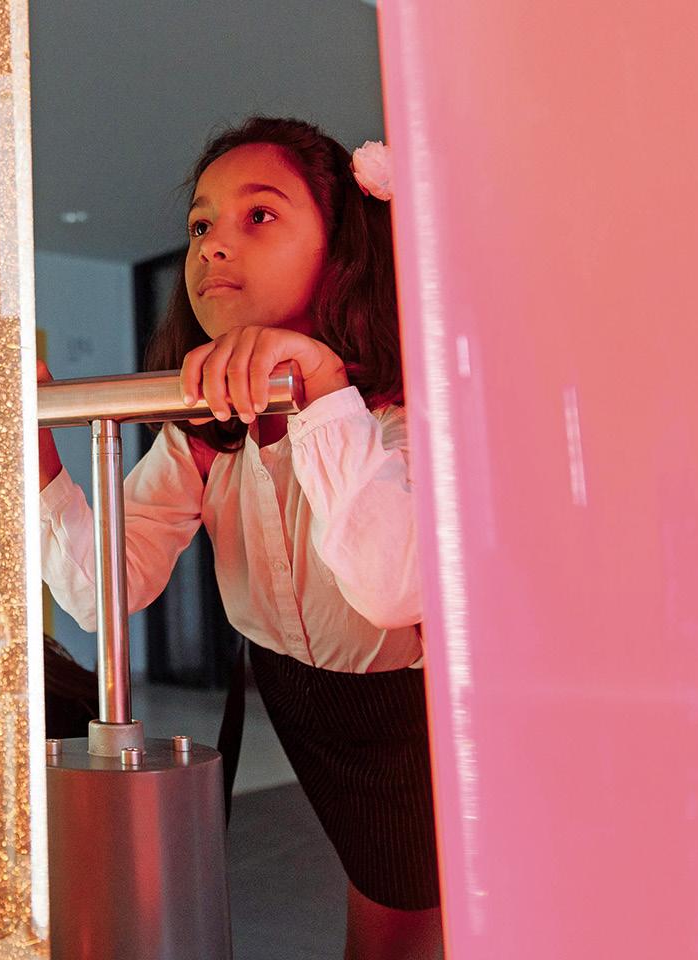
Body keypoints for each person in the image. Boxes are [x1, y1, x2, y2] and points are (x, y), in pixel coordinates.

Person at [38, 116, 441, 960]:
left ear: (339, 249)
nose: (214, 246)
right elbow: (104, 588)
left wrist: (320, 382)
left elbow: (392, 587)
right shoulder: (204, 434)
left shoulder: (402, 414)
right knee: (379, 903)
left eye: (259, 215)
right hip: (296, 699)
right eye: (200, 226)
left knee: (411, 917)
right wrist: (37, 447)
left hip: (408, 715)